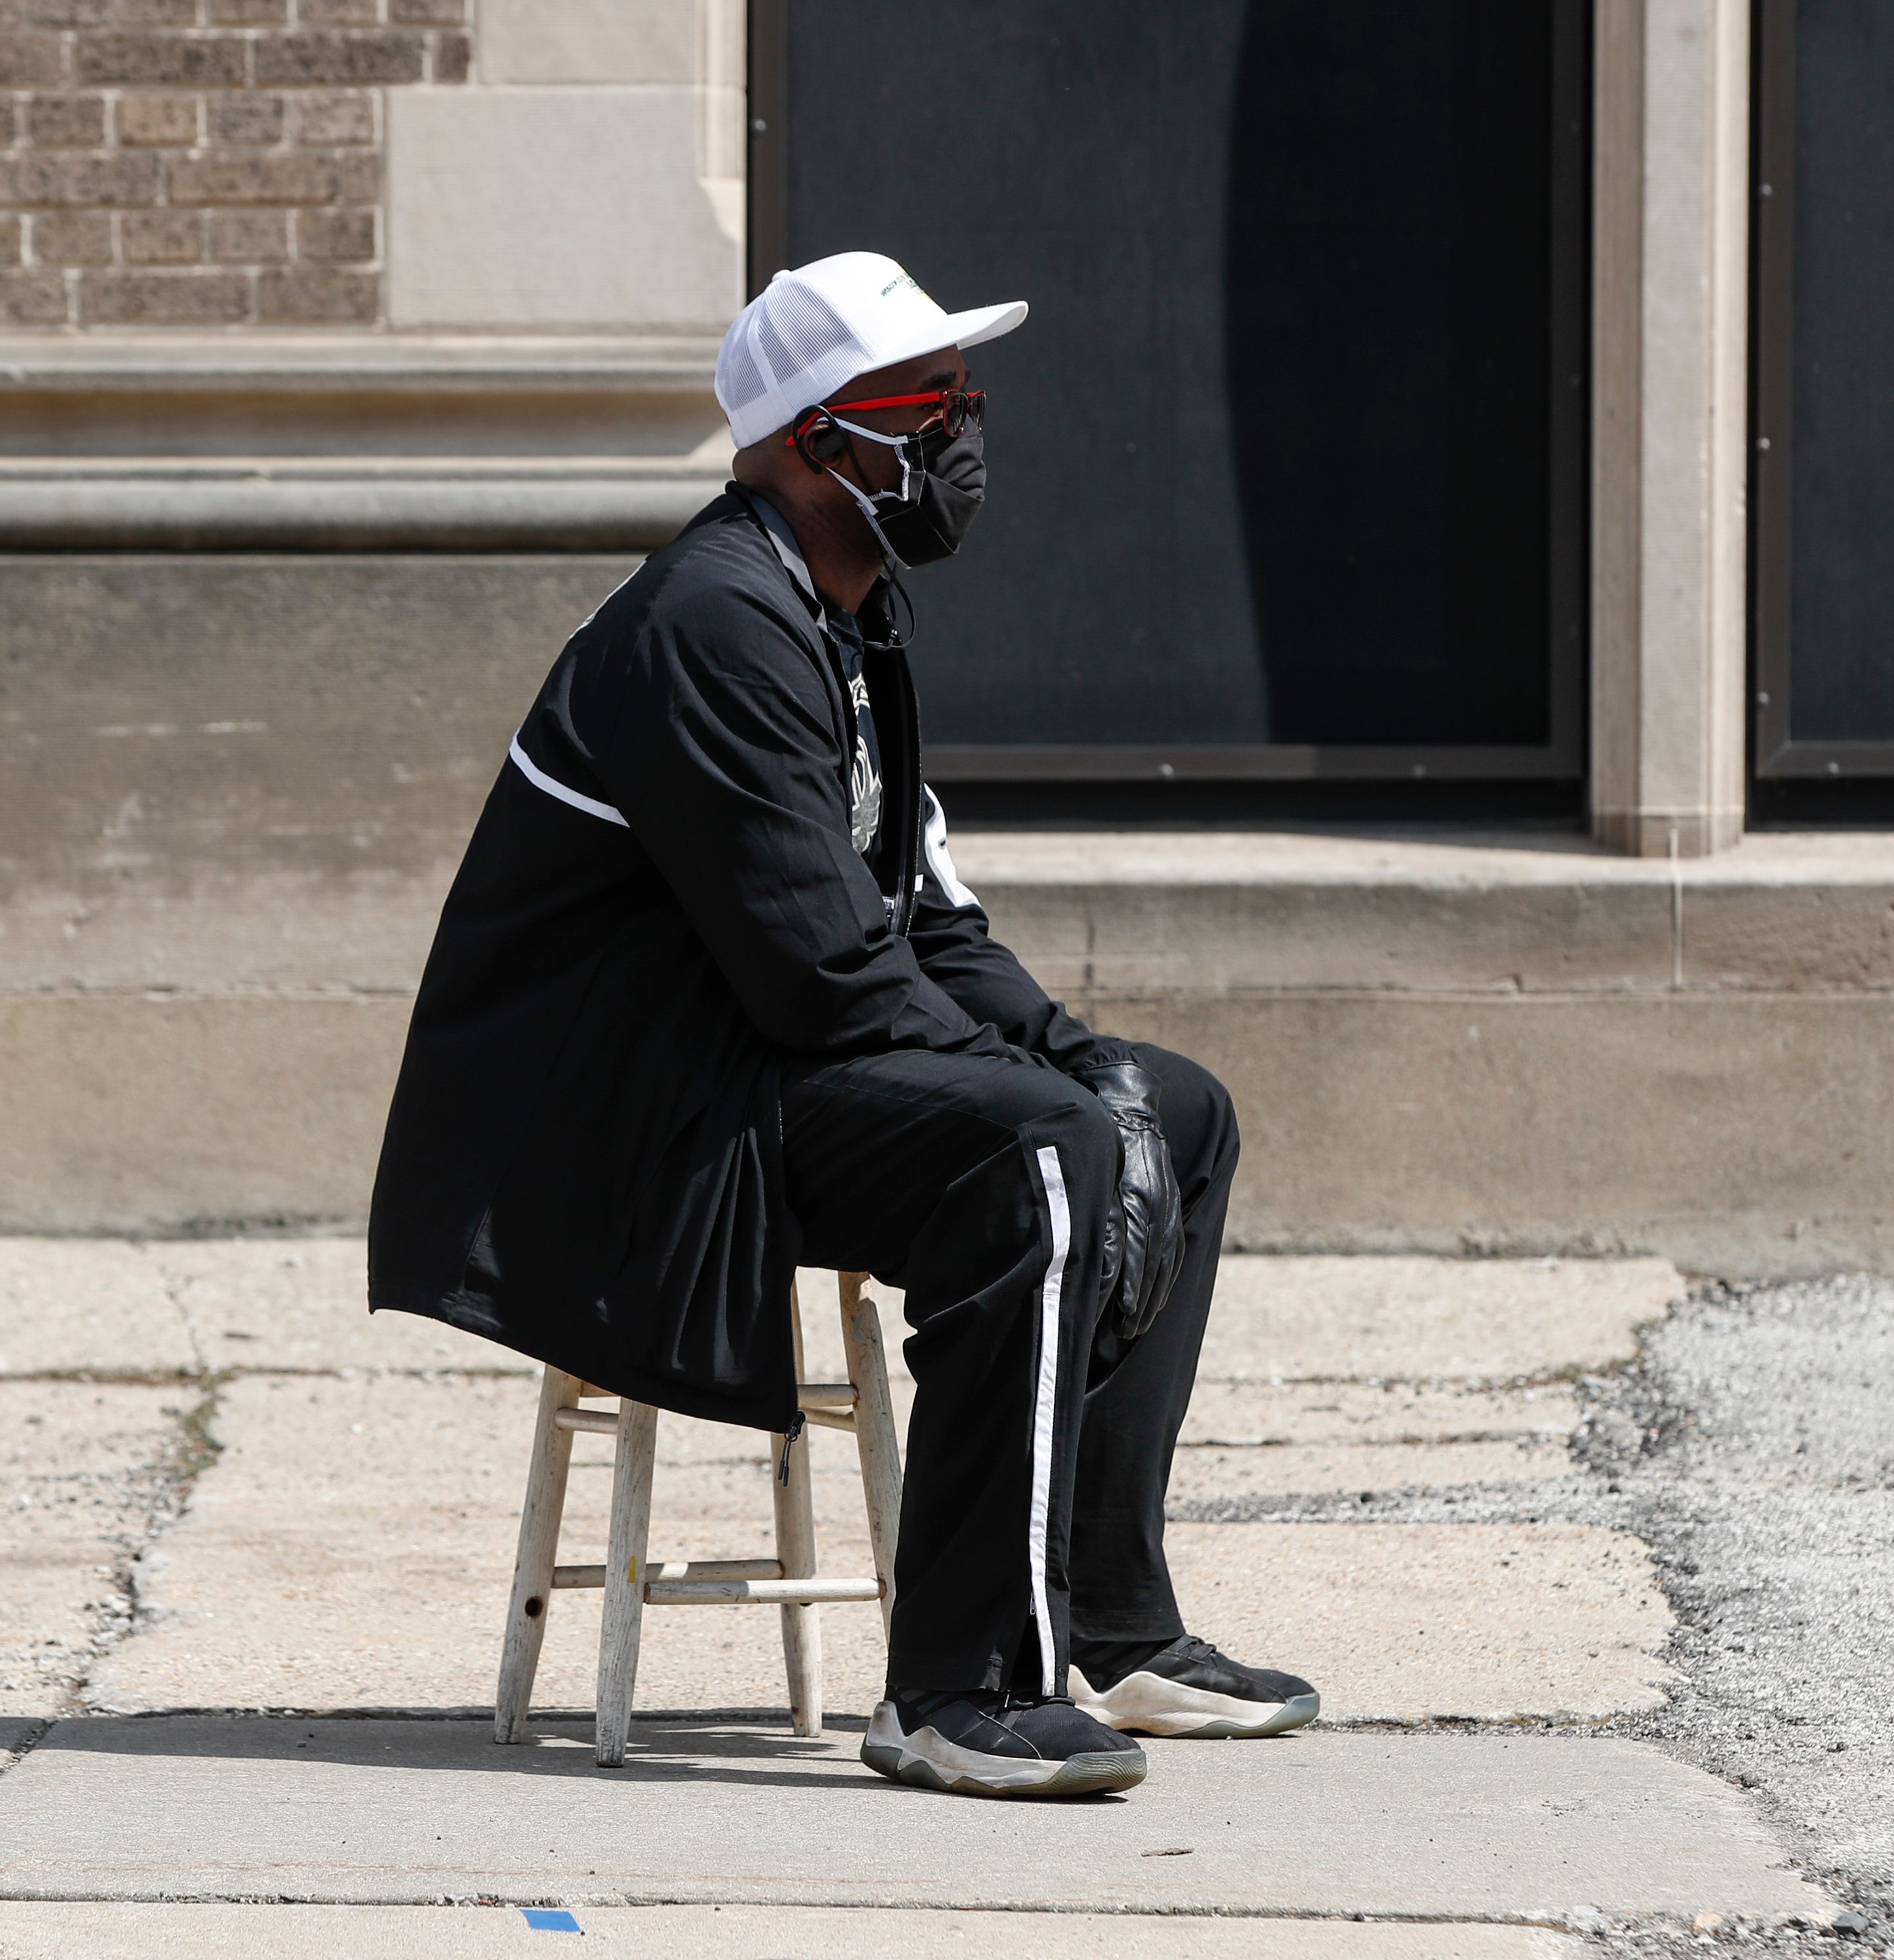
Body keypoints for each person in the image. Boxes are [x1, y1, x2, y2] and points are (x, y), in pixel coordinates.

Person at [369, 252, 1319, 1799]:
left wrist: (1089, 1065)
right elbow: (825, 974)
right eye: (923, 406)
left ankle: (1119, 1631)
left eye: (965, 401)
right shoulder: (714, 625)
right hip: (634, 1131)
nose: (961, 435)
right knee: (1043, 1158)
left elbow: (924, 917)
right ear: (817, 438)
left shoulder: (847, 620)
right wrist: (1067, 1118)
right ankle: (958, 1690)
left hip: (748, 1075)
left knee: (1173, 1108)